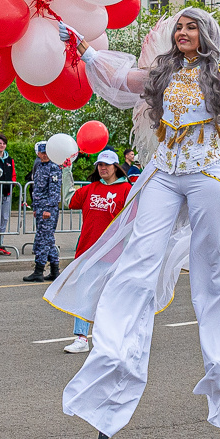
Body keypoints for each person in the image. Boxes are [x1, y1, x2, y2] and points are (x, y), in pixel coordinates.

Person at [50, 8, 220, 439]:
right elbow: (118, 76)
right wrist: (86, 49)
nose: (184, 33)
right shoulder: (158, 73)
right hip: (162, 173)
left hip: (206, 174)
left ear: (206, 36)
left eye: (192, 27)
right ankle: (113, 353)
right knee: (136, 264)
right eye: (179, 27)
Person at [62, 151, 133, 354]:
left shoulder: (127, 190)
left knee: (114, 297)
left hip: (114, 255)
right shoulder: (90, 189)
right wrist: (67, 171)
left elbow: (134, 223)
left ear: (116, 167)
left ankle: (117, 337)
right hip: (87, 251)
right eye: (100, 164)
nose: (103, 168)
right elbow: (69, 200)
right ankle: (82, 338)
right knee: (83, 296)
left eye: (107, 165)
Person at [22, 141, 62, 279]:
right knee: (48, 240)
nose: (44, 155)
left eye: (47, 153)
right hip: (40, 207)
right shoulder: (39, 166)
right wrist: (35, 207)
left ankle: (39, 270)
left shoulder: (54, 168)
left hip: (48, 209)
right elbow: (37, 189)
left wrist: (48, 209)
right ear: (38, 153)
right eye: (42, 153)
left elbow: (54, 191)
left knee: (43, 240)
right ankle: (55, 271)